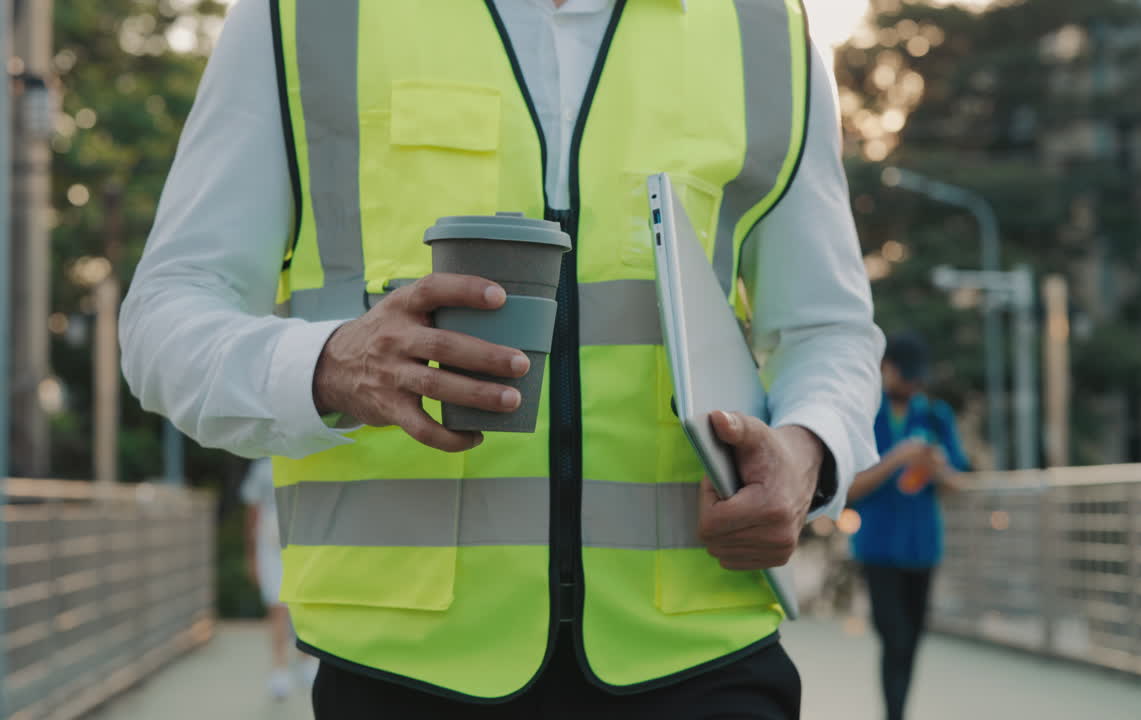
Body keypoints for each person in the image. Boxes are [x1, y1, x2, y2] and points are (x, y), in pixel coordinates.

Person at [120, 1, 884, 717]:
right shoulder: (306, 14)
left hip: (704, 656)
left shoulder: (763, 26)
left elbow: (828, 329)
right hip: (404, 666)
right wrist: (328, 365)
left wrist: (809, 450)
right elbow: (163, 320)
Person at [846, 332, 970, 720]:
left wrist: (935, 469)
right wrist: (896, 458)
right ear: (885, 369)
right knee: (893, 636)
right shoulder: (864, 413)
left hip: (923, 547)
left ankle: (897, 713)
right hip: (878, 547)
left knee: (911, 641)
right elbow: (848, 489)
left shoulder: (936, 416)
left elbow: (958, 483)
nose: (913, 383)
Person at [240, 458, 319, 700]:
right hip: (272, 544)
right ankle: (279, 668)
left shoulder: (310, 455)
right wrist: (252, 556)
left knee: (303, 603)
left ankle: (306, 660)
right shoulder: (264, 467)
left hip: (304, 540)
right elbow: (253, 513)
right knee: (278, 608)